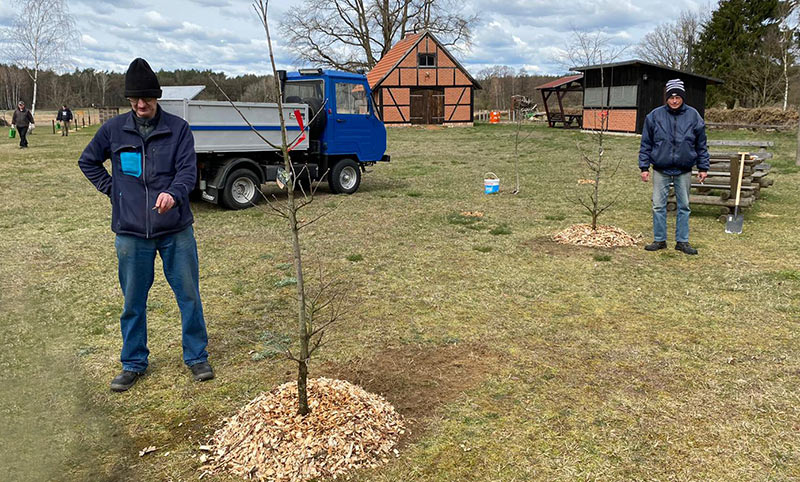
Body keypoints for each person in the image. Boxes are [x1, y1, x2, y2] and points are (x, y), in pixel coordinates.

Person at [78, 58, 213, 392]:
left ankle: (197, 357)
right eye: (135, 99)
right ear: (129, 100)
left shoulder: (178, 129)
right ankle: (133, 362)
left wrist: (174, 193)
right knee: (133, 302)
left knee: (189, 296)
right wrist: (115, 191)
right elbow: (88, 161)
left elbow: (186, 172)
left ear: (158, 97)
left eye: (147, 99)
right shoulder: (113, 130)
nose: (141, 105)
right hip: (131, 234)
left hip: (176, 230)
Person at [638, 79, 709, 255]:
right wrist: (644, 167)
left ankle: (682, 241)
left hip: (684, 169)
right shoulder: (654, 116)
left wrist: (703, 168)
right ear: (667, 98)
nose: (674, 100)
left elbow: (701, 145)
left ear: (682, 97)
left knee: (684, 206)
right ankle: (659, 240)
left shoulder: (694, 116)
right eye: (671, 97)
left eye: (678, 97)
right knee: (658, 206)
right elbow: (646, 144)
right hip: (661, 168)